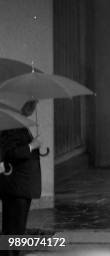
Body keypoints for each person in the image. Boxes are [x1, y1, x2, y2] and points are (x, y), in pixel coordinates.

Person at [0, 100, 41, 256]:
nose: (34, 107)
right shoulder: (13, 126)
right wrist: (32, 146)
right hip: (16, 186)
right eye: (32, 104)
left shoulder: (18, 125)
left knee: (15, 228)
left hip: (20, 186)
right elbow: (12, 153)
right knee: (14, 229)